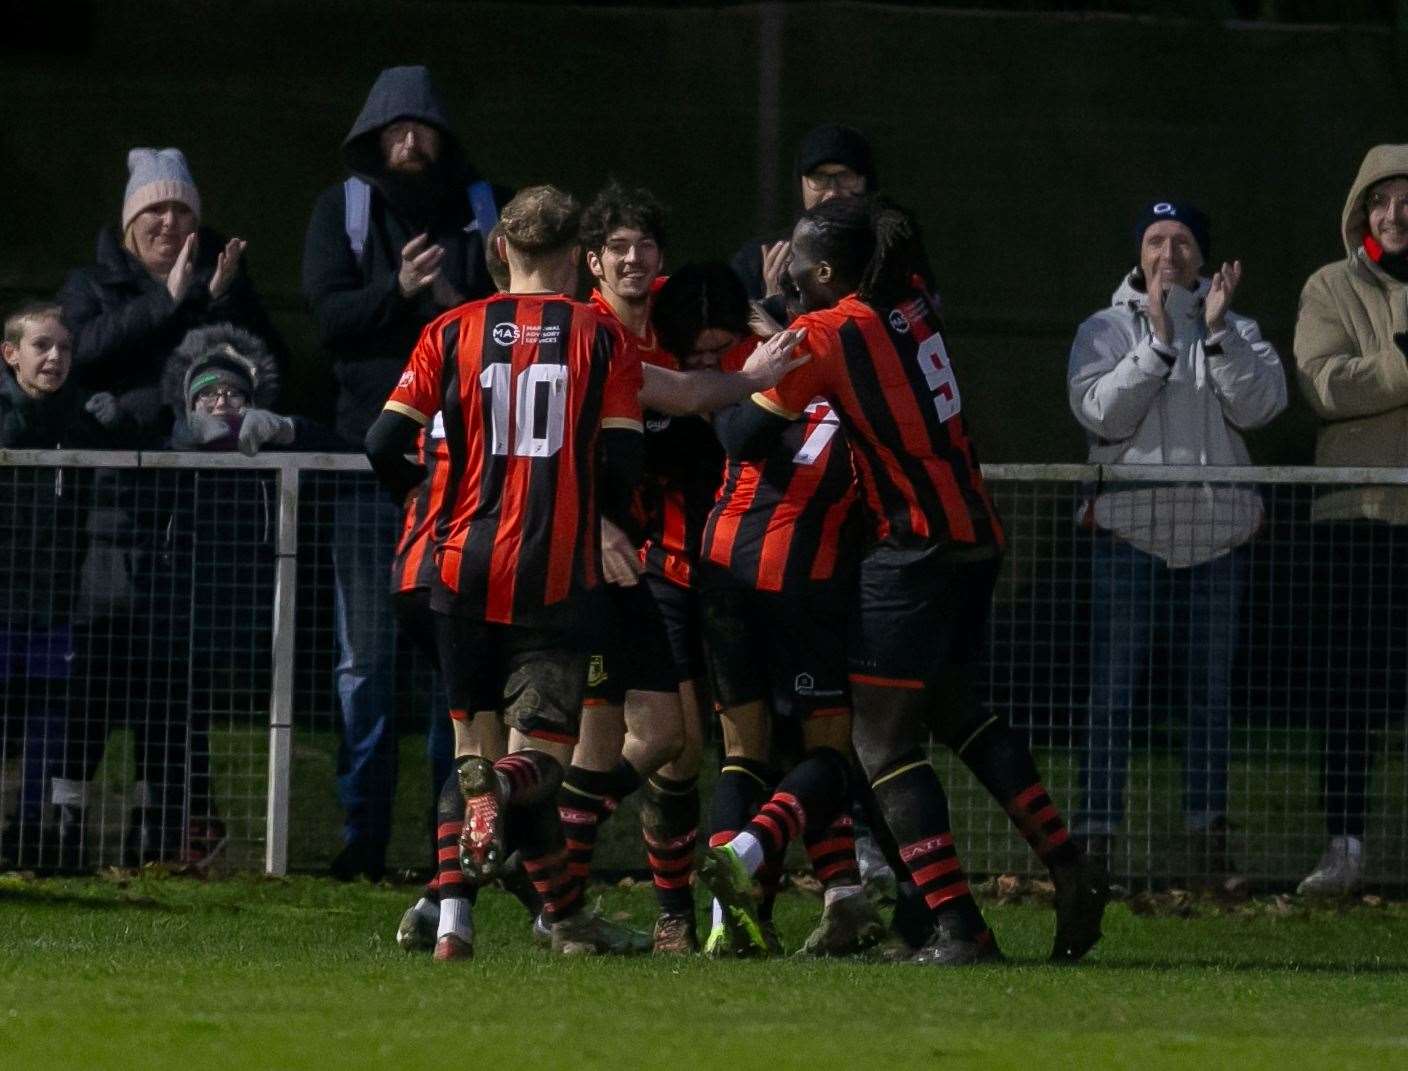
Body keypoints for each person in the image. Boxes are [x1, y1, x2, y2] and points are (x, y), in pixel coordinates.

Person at [711, 196, 1107, 965]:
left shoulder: (826, 333)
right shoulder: (913, 300)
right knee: (958, 708)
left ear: (825, 270)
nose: (788, 270)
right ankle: (1068, 861)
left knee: (878, 737)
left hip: (913, 546)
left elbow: (738, 431)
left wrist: (769, 349)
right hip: (975, 533)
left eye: (798, 261)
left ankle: (961, 928)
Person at [365, 184, 648, 960]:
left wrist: (428, 496)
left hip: (457, 568)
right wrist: (592, 504)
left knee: (472, 750)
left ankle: (466, 923)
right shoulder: (600, 336)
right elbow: (624, 457)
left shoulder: (449, 330)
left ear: (502, 251)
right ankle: (555, 907)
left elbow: (383, 439)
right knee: (540, 764)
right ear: (575, 255)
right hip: (552, 574)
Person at [302, 65, 510, 881]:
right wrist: (398, 290)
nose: (410, 142)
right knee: (367, 663)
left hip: (464, 469)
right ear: (373, 138)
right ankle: (363, 838)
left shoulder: (487, 208)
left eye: (422, 128)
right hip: (372, 467)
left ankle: (447, 840)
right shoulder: (343, 212)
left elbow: (512, 314)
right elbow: (328, 320)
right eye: (396, 130)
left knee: (450, 664)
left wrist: (450, 294)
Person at [1067, 201, 1286, 885]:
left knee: (1211, 696)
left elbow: (1262, 407)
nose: (1170, 254)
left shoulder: (1239, 328)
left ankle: (1207, 840)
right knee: (1112, 693)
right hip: (1130, 538)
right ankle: (1096, 840)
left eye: (1183, 242)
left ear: (1203, 257)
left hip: (1216, 542)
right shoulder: (1103, 329)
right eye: (1157, 241)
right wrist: (1158, 342)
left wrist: (1214, 333)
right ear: (1139, 255)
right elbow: (1101, 411)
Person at [681, 263, 885, 957]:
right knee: (825, 753)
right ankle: (750, 850)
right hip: (801, 585)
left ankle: (728, 917)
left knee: (745, 753)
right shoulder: (868, 393)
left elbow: (736, 434)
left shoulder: (774, 371)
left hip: (720, 567)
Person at [1293, 144, 1408, 895]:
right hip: (1357, 517)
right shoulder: (1330, 285)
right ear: (1360, 210)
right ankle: (1345, 847)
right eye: (1381, 200)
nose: (1395, 215)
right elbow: (1325, 386)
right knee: (1350, 692)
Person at [59, 148, 286, 447]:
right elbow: (75, 354)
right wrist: (163, 300)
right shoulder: (88, 283)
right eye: (155, 209)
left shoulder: (224, 280)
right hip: (116, 454)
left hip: (204, 460)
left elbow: (273, 368)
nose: (169, 221)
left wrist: (220, 299)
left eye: (182, 210)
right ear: (131, 222)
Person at [0, 304, 114, 867]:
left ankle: (28, 832)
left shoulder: (81, 422)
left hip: (52, 606)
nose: (54, 358)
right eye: (42, 346)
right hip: (4, 603)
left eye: (64, 348)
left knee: (46, 721)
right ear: (10, 354)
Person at [731, 123, 877, 306]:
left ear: (866, 181)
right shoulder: (757, 260)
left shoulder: (888, 251)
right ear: (800, 183)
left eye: (845, 176)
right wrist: (772, 307)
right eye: (819, 177)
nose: (832, 192)